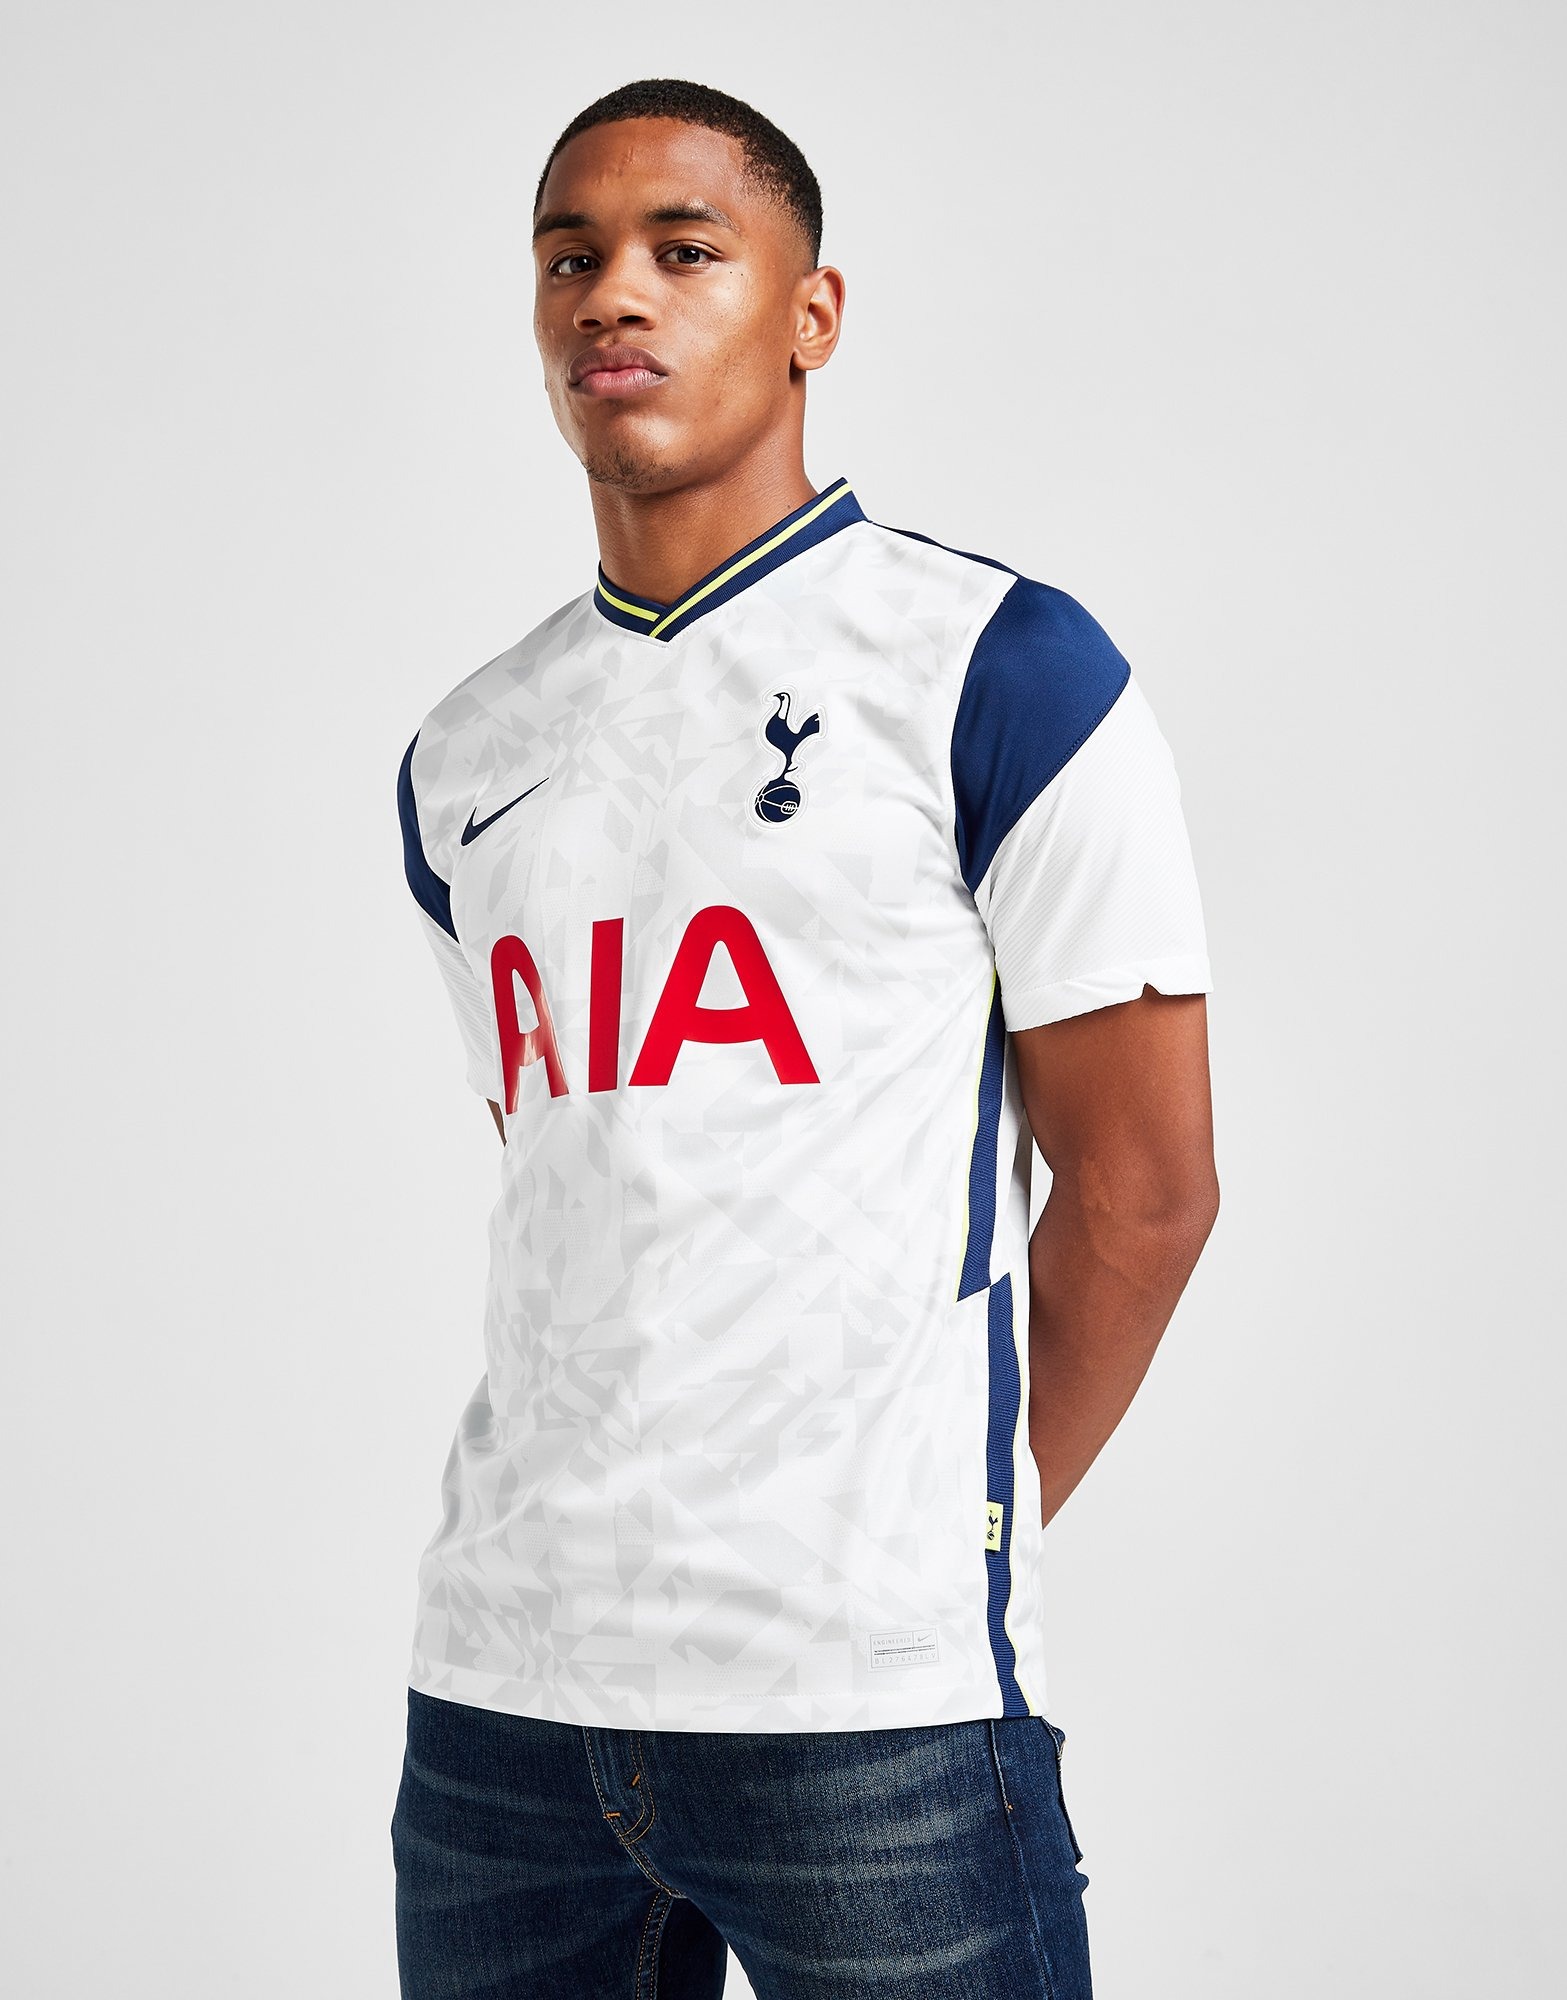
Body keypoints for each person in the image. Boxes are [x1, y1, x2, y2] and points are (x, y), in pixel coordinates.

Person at [391, 75, 1219, 2000]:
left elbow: (1147, 1192)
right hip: (501, 1715)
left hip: (868, 1715)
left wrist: (936, 1533)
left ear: (810, 314)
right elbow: (589, 1175)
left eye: (685, 250)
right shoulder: (464, 755)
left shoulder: (998, 668)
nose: (616, 294)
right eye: (571, 258)